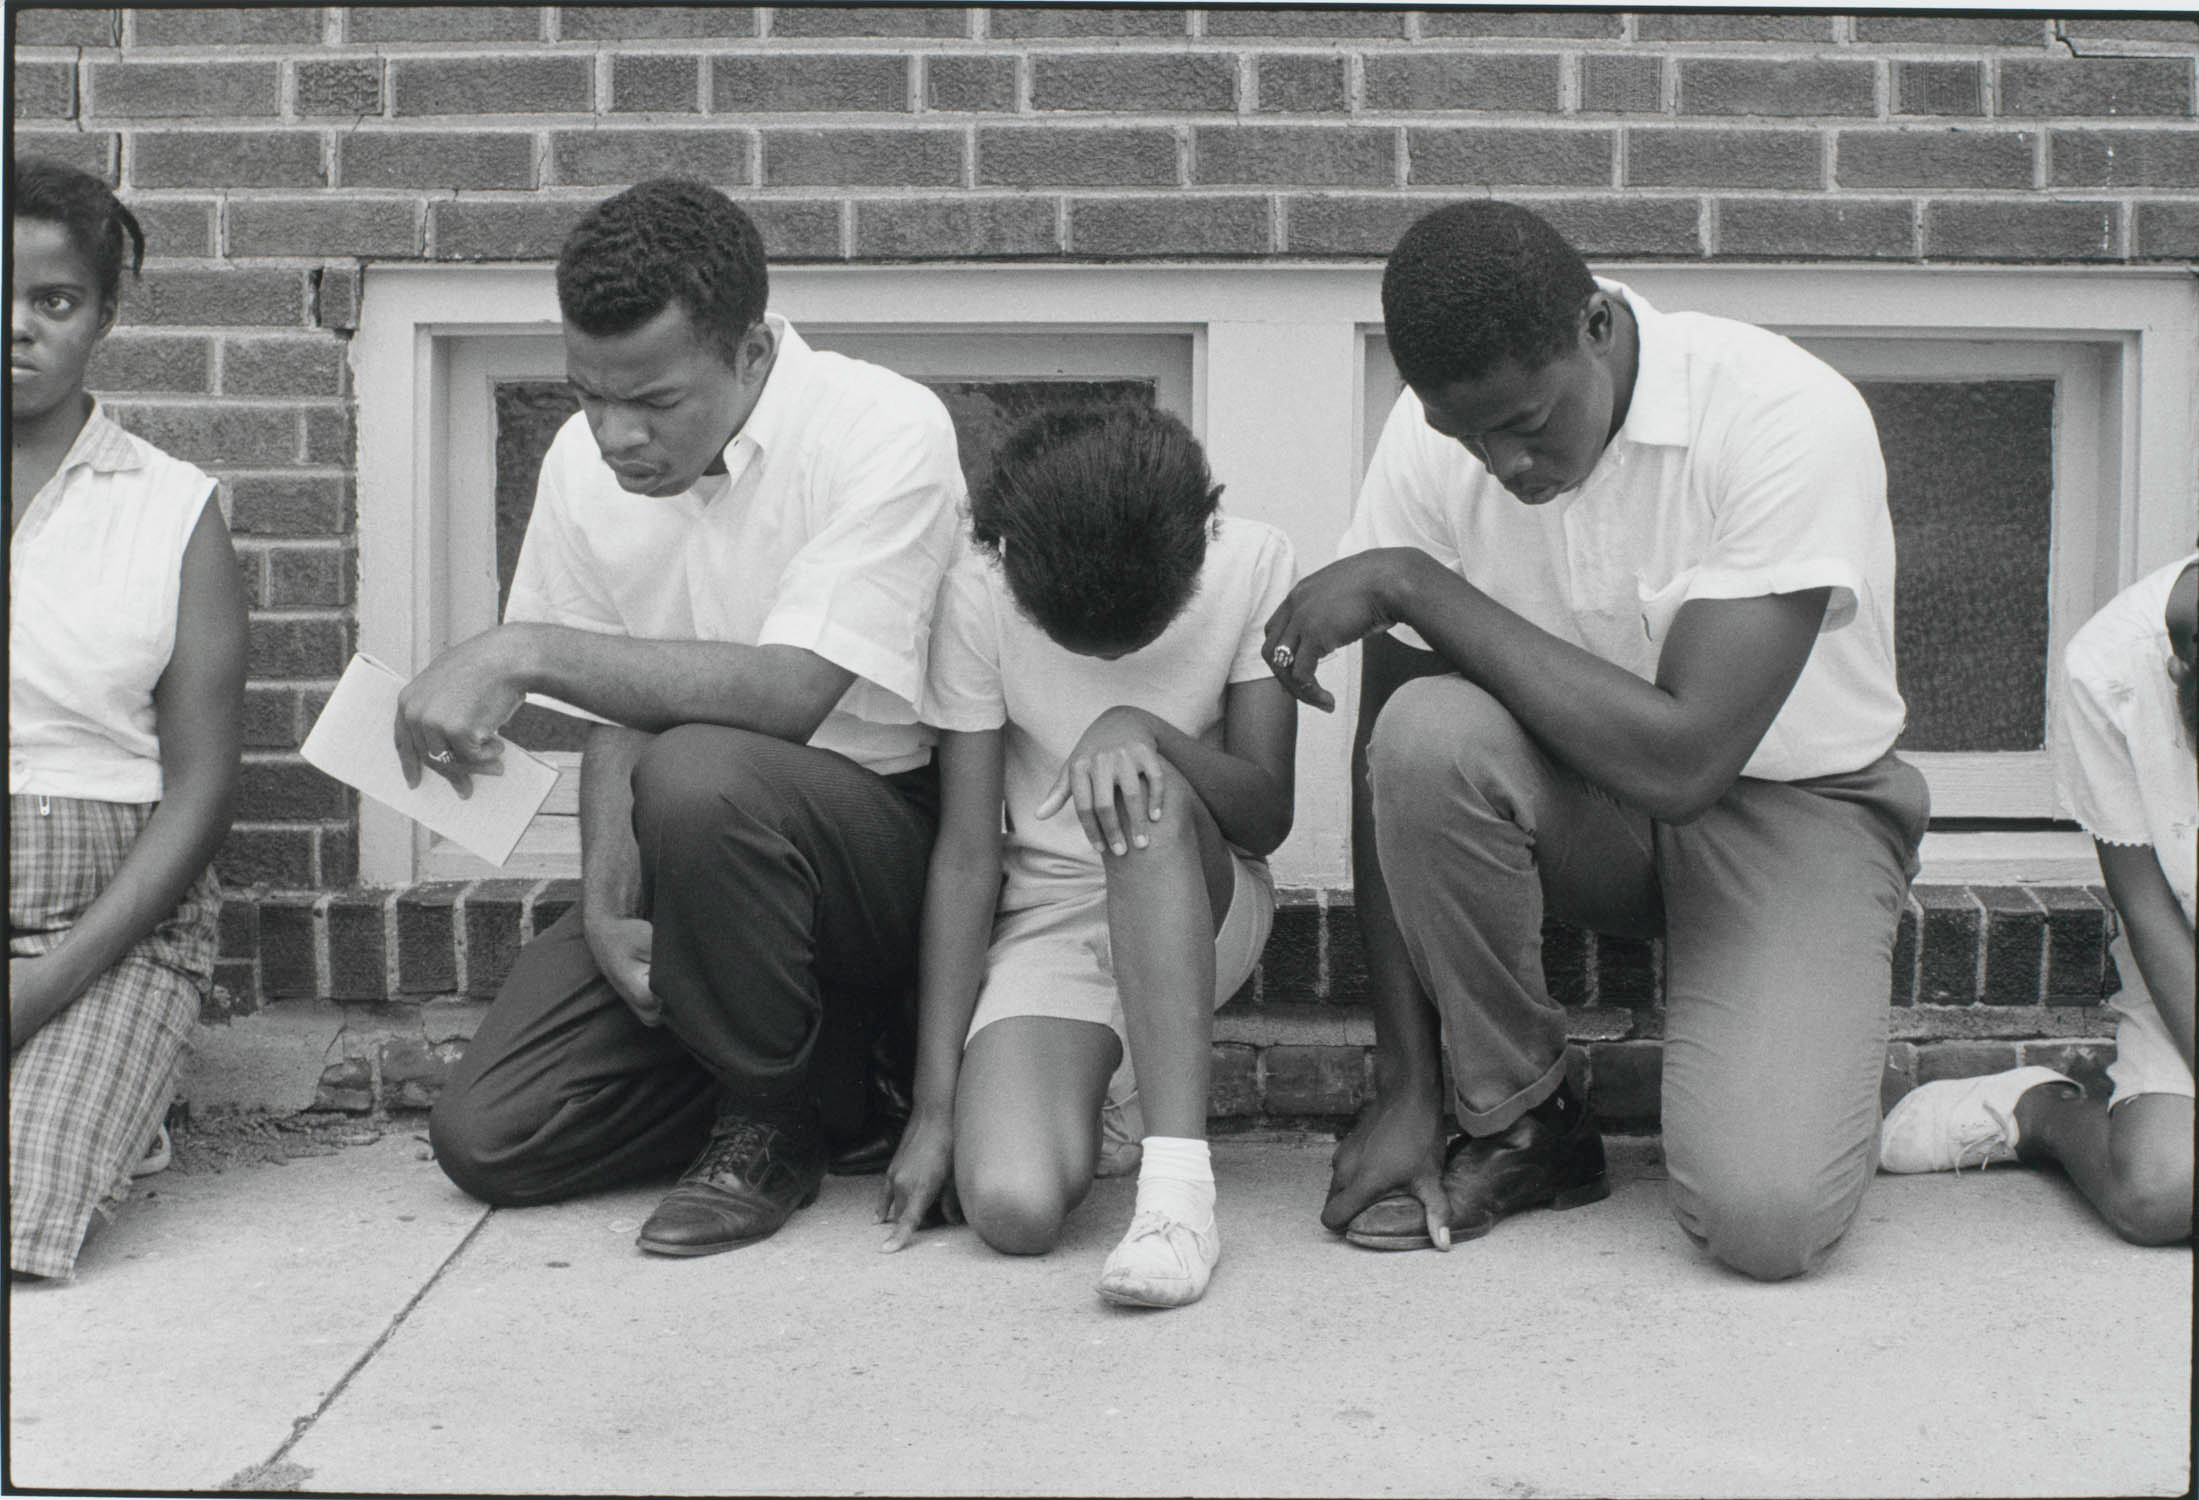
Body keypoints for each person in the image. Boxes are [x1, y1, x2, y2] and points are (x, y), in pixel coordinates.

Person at [1262, 200, 1928, 1282]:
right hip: (1584, 809)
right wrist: (1407, 1086)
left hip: (1795, 809)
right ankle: (1527, 1120)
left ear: (1598, 329)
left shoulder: (1782, 414)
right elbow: (1389, 760)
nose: (1504, 464)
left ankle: (1815, 1038)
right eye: (1465, 435)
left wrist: (1412, 583)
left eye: (1528, 422)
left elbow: (1686, 762)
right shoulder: (1438, 442)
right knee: (1425, 729)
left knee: (1764, 1225)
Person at [415, 179, 966, 1257]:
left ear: (752, 353)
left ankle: (774, 1120)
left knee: (704, 769)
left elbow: (792, 693)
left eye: (655, 402)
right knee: (491, 1136)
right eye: (587, 396)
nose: (616, 436)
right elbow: (614, 705)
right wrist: (610, 905)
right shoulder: (584, 463)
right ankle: (832, 1069)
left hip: (870, 854)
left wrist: (521, 649)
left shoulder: (885, 429)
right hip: (692, 859)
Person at [876, 402, 1297, 1307]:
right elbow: (963, 856)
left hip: (1199, 889)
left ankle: (1178, 1198)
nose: (1108, 655)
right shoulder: (979, 594)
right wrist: (936, 1108)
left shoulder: (1250, 563)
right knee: (1012, 1208)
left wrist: (1140, 725)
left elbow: (1264, 816)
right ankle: (1117, 1091)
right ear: (1012, 567)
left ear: (1193, 555)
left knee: (1137, 791)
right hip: (1055, 921)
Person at [9, 158, 247, 1281]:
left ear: (104, 314)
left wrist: (40, 986)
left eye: (53, 301)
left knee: (16, 1198)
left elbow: (200, 793)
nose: (18, 328)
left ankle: (88, 1088)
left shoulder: (171, 508)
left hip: (108, 926)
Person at [1879, 553, 2194, 1245]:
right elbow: (2147, 911)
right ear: (2178, 668)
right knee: (2160, 1195)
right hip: (2186, 952)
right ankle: (2041, 1112)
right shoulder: (2109, 668)